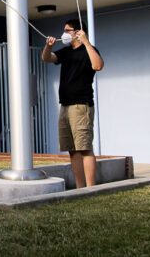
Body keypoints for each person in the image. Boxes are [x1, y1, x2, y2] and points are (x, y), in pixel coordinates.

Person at [42, 19, 104, 188]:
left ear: (78, 32)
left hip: (81, 105)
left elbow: (98, 65)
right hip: (65, 106)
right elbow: (47, 58)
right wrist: (48, 46)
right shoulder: (66, 52)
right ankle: (79, 187)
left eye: (67, 30)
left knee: (84, 148)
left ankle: (91, 188)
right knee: (72, 149)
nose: (64, 34)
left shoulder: (89, 50)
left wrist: (86, 42)